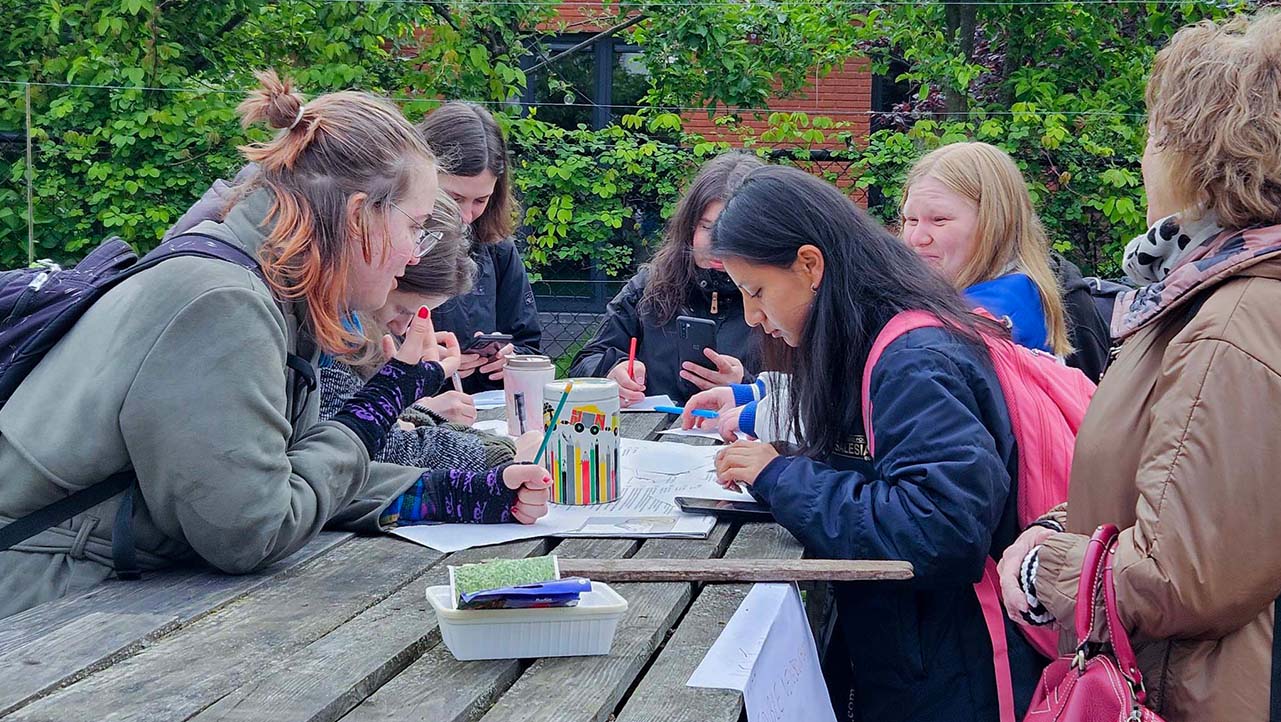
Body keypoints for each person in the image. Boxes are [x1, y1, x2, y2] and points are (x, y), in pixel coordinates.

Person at [0, 72, 549, 619]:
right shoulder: (221, 303)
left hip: (105, 590)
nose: (415, 254)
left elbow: (297, 473)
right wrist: (375, 409)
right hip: (47, 614)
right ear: (359, 218)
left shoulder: (271, 290)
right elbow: (252, 531)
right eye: (418, 227)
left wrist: (466, 494)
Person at [998, 12, 1281, 720]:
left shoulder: (1233, 318)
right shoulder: (1205, 296)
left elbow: (1182, 573)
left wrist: (1042, 570)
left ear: (1201, 151)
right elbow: (1175, 484)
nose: (1143, 157)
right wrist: (1055, 525)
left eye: (1154, 135)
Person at [697, 165, 1042, 721]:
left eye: (756, 291)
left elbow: (940, 529)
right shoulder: (879, 337)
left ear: (810, 266)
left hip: (955, 676)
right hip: (924, 658)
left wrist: (780, 477)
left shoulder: (913, 361)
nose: (753, 317)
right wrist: (784, 466)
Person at [318, 194, 521, 473]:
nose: (403, 327)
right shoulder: (335, 335)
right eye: (402, 309)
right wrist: (500, 456)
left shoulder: (352, 328)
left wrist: (414, 406)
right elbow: (360, 448)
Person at [900, 141, 1111, 381]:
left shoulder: (990, 317)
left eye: (939, 220)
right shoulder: (1042, 287)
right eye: (911, 220)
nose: (917, 238)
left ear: (995, 223)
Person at [568, 152, 764, 405]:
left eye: (731, 232)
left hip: (741, 437)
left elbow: (802, 394)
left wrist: (745, 388)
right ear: (689, 226)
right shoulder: (649, 286)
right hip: (649, 435)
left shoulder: (774, 298)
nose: (717, 244)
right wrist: (611, 373)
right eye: (707, 227)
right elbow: (585, 361)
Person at [417, 102, 541, 392]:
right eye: (453, 198)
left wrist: (511, 361)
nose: (465, 215)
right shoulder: (394, 245)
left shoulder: (497, 248)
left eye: (480, 201)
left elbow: (529, 344)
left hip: (487, 411)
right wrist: (427, 361)